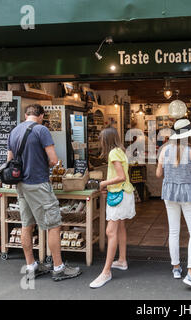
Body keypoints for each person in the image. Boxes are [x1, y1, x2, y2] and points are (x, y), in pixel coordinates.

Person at [7, 104, 82, 281]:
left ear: (26, 115)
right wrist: (44, 164)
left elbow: (9, 161)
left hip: (21, 184)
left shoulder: (14, 131)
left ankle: (31, 266)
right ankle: (58, 267)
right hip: (38, 183)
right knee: (53, 225)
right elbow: (54, 160)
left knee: (26, 224)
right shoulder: (41, 130)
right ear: (41, 115)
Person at [156, 119, 191, 291]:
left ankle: (176, 268)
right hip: (187, 193)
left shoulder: (164, 150)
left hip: (169, 193)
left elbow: (158, 174)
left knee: (173, 231)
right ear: (189, 135)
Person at [89, 126, 136, 288]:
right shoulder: (120, 150)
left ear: (106, 140)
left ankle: (106, 272)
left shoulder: (113, 153)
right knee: (120, 227)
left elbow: (121, 177)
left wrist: (102, 183)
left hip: (120, 195)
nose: (100, 142)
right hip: (124, 193)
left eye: (101, 139)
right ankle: (122, 260)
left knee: (110, 231)